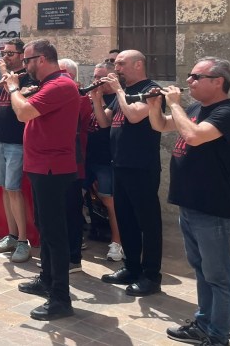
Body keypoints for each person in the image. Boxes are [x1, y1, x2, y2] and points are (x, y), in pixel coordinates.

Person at [148, 58, 230, 346]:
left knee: (219, 277)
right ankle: (204, 324)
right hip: (190, 204)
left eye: (196, 76)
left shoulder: (229, 112)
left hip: (213, 208)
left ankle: (218, 337)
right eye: (189, 76)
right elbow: (161, 126)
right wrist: (157, 104)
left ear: (218, 81)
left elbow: (191, 136)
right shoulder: (195, 108)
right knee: (202, 271)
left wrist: (175, 103)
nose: (189, 81)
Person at [8, 39, 80, 321]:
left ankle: (60, 298)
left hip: (53, 168)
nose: (24, 66)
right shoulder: (49, 85)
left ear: (41, 59)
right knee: (44, 226)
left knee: (54, 233)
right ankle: (47, 279)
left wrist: (13, 88)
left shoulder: (60, 85)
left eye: (27, 60)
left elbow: (24, 112)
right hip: (41, 166)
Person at [96, 49, 163, 297]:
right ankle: (131, 267)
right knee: (126, 221)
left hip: (142, 167)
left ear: (138, 64)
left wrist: (119, 91)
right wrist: (96, 97)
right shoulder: (120, 93)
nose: (117, 69)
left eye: (121, 64)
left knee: (148, 223)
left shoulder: (152, 89)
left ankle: (151, 276)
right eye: (115, 64)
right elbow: (104, 122)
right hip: (120, 165)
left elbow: (134, 116)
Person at [0, 39, 35, 262]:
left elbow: (20, 105)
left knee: (14, 189)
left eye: (10, 53)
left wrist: (4, 73)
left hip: (16, 141)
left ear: (22, 55)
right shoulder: (0, 79)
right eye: (4, 52)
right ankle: (11, 235)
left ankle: (23, 240)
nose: (6, 56)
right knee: (3, 187)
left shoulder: (27, 77)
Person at [57, 58, 92, 274]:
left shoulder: (80, 98)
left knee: (71, 211)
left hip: (73, 163)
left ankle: (73, 257)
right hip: (59, 163)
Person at [87, 61, 123, 261]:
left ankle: (117, 243)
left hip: (106, 158)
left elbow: (103, 122)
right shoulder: (92, 96)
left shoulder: (116, 98)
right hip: (88, 156)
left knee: (110, 201)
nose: (96, 81)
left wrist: (97, 99)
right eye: (94, 76)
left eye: (101, 77)